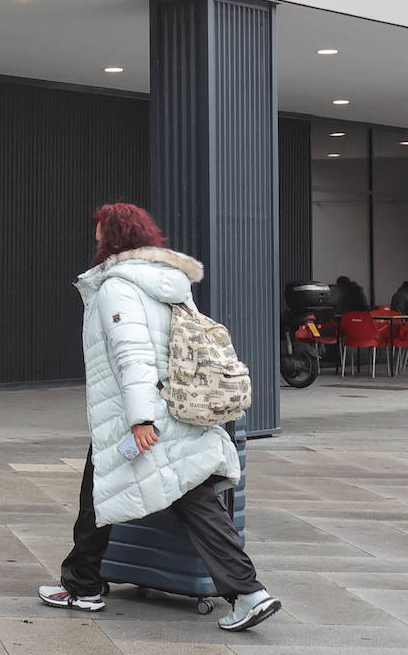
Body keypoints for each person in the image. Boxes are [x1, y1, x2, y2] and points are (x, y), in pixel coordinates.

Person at [38, 202, 281, 633]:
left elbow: (133, 356)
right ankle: (83, 583)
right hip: (176, 407)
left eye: (99, 231)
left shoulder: (117, 286)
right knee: (115, 491)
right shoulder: (168, 282)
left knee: (183, 499)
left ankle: (246, 592)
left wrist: (139, 420)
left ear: (113, 236)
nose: (94, 239)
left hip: (141, 414)